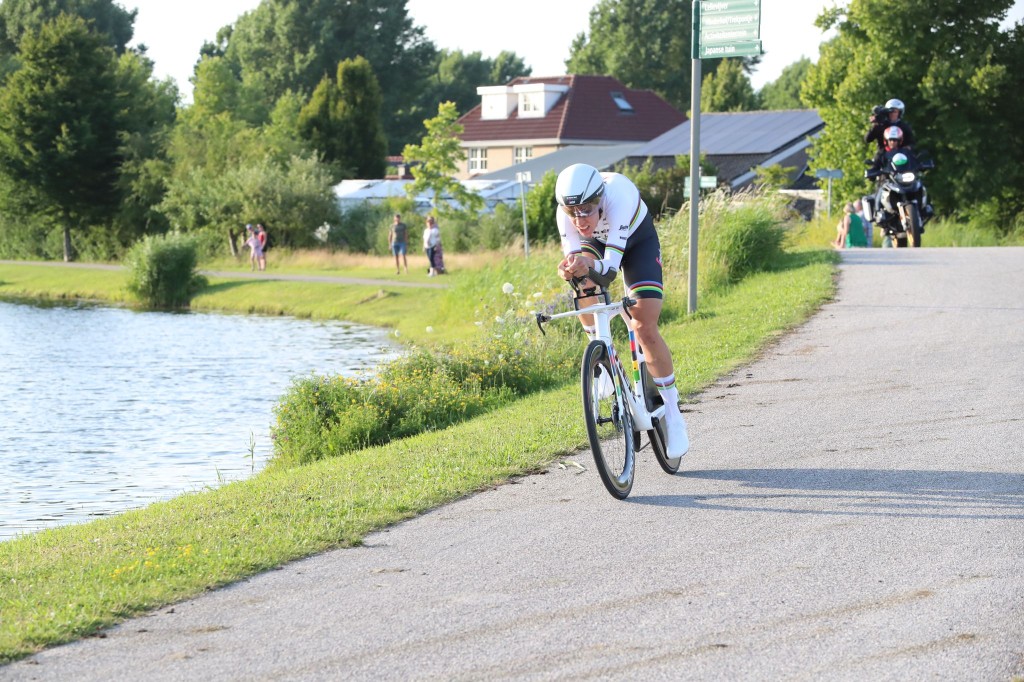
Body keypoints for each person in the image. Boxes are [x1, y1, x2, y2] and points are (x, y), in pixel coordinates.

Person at [553, 163, 689, 459]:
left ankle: (674, 414)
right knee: (582, 279)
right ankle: (600, 357)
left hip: (637, 243)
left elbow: (610, 269)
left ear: (600, 199)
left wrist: (588, 265)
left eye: (587, 210)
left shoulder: (619, 195)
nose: (580, 219)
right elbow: (577, 260)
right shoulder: (568, 214)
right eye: (572, 213)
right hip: (598, 246)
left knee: (643, 325)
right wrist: (573, 268)